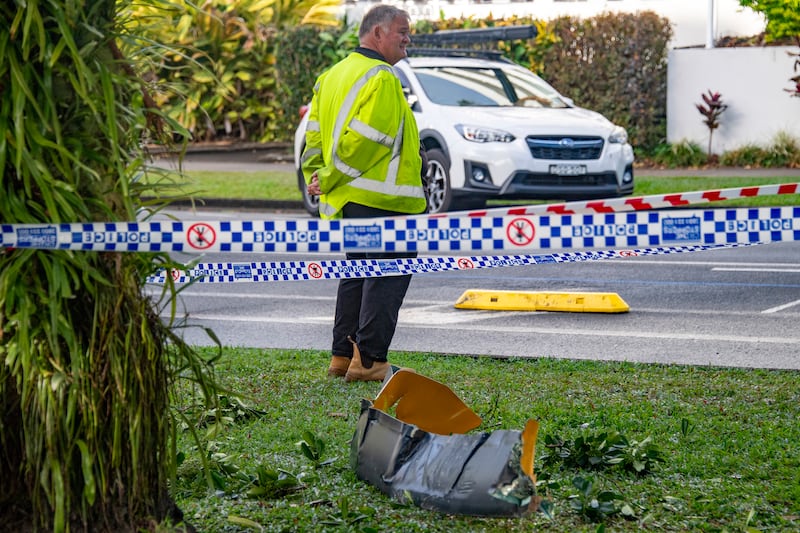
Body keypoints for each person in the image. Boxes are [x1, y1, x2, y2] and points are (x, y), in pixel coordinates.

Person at [301, 4, 427, 382]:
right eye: (402, 31)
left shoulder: (331, 76)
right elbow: (372, 139)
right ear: (377, 34)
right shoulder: (382, 76)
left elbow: (315, 138)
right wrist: (332, 175)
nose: (408, 39)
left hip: (351, 201)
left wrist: (319, 175)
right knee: (387, 274)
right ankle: (370, 361)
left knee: (357, 272)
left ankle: (343, 356)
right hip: (386, 200)